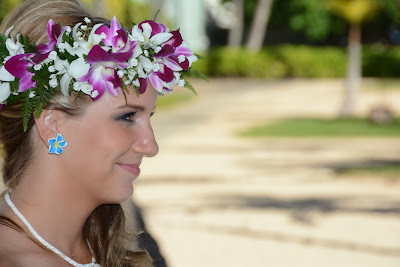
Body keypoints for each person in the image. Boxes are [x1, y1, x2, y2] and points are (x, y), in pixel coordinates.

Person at [0, 0, 200, 266]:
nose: (150, 146)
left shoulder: (101, 243)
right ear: (51, 124)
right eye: (127, 116)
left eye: (148, 117)